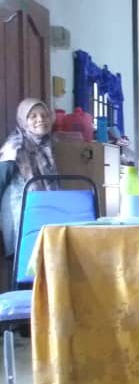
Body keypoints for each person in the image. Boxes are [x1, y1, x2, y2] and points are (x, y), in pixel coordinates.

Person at [0, 98, 59, 262]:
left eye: (44, 115)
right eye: (33, 116)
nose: (40, 120)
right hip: (21, 215)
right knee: (24, 264)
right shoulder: (14, 148)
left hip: (47, 211)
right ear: (23, 120)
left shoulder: (47, 145)